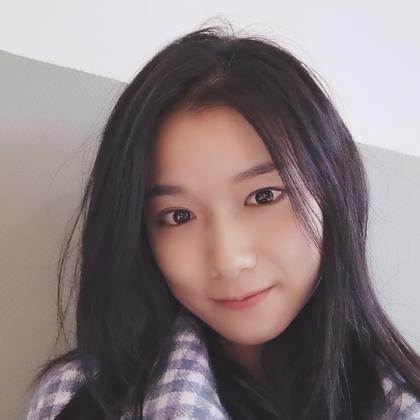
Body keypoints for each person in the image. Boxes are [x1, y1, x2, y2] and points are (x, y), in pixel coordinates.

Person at [24, 22, 420, 419]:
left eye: (264, 196)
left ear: (332, 190)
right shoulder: (77, 402)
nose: (229, 260)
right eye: (179, 216)